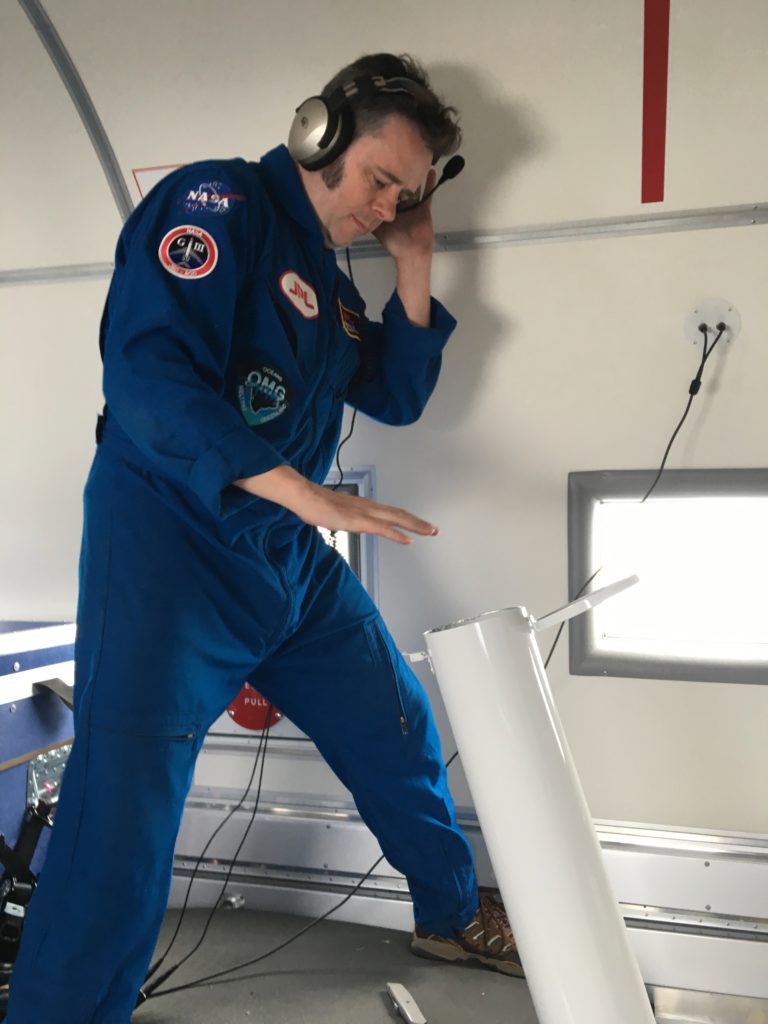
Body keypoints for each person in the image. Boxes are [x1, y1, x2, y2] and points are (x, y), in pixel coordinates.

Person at [6, 52, 522, 1024]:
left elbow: (398, 395)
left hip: (283, 557)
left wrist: (414, 260)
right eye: (379, 179)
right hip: (170, 551)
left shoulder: (327, 284)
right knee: (124, 816)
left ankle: (448, 913)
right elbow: (148, 379)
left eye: (404, 194)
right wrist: (310, 496)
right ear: (317, 134)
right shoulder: (219, 206)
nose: (384, 205)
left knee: (397, 722)